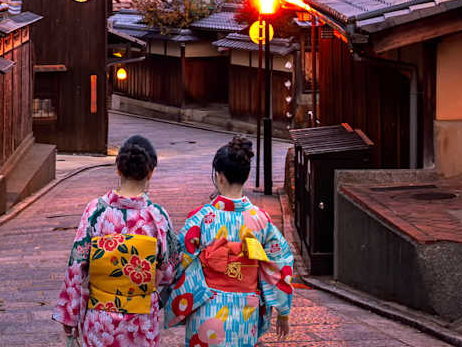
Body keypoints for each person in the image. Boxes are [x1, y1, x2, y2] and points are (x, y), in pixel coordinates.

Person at [168, 136, 296, 346]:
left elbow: (176, 260)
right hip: (246, 312)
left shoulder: (201, 218)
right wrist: (283, 311)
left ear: (219, 177)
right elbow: (281, 263)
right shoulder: (260, 219)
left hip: (206, 308)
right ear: (245, 177)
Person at [55, 134, 179, 347]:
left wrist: (70, 316)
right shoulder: (157, 216)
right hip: (141, 322)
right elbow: (169, 270)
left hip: (100, 321)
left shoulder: (96, 211)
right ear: (151, 173)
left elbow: (76, 266)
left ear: (118, 169)